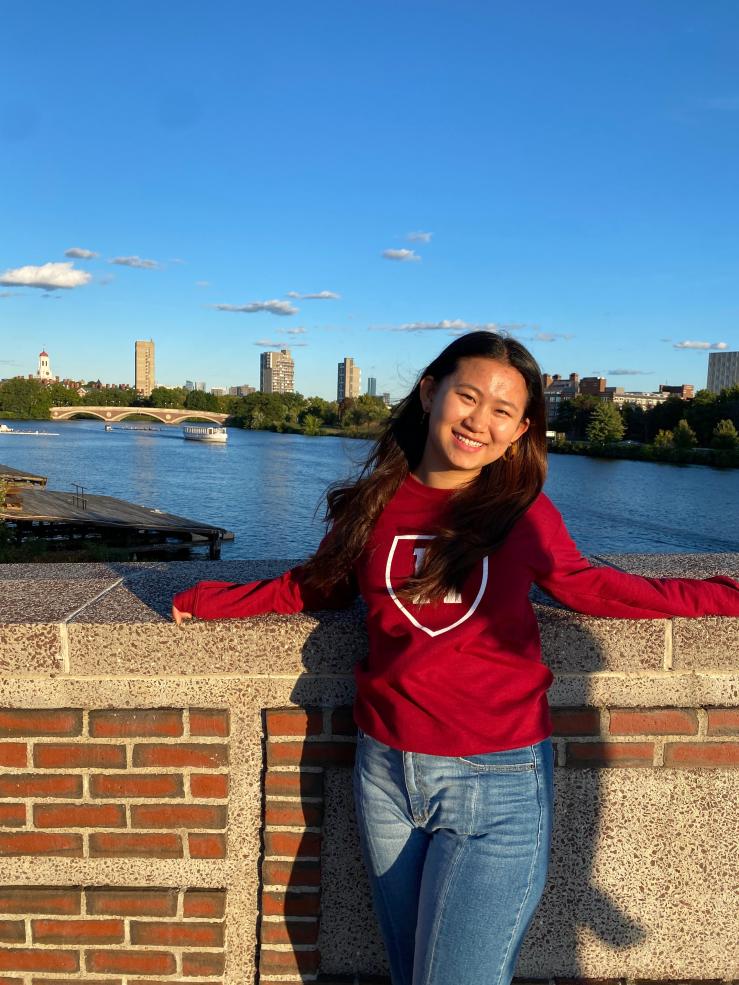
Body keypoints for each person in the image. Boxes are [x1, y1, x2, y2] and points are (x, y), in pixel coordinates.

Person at [172, 331, 739, 985]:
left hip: (495, 783)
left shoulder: (520, 514)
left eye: (502, 409)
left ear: (520, 429)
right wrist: (212, 599)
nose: (479, 419)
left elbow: (598, 587)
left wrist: (725, 595)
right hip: (384, 773)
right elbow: (316, 585)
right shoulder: (375, 505)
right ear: (428, 392)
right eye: (466, 395)